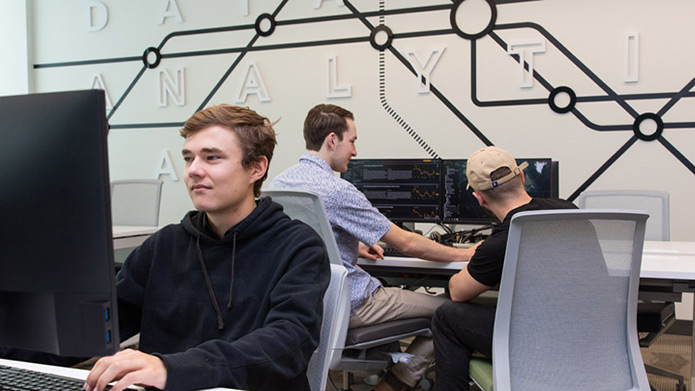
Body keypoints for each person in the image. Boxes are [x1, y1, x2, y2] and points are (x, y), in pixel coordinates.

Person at [82, 105, 331, 391]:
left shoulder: (298, 246)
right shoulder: (164, 246)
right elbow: (99, 326)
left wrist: (171, 369)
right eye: (189, 158)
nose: (193, 170)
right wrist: (22, 344)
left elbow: (286, 345)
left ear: (256, 168)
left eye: (212, 158)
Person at [269, 103, 473, 391]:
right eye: (352, 141)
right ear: (332, 140)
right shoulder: (336, 190)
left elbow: (303, 235)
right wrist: (464, 254)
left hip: (310, 303)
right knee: (451, 313)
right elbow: (407, 242)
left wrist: (348, 245)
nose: (354, 151)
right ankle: (394, 384)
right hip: (352, 302)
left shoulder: (281, 182)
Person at [431, 146, 577, 390]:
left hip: (537, 342)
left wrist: (476, 254)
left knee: (447, 315)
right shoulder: (570, 211)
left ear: (479, 198)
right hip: (587, 333)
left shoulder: (500, 243)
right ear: (521, 177)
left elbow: (458, 292)